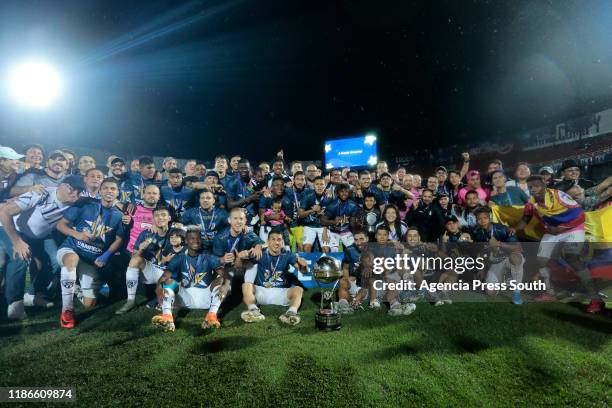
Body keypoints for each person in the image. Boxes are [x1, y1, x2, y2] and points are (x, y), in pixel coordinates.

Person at [512, 176, 603, 313]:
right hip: (553, 231)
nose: (533, 189)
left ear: (544, 185)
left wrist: (562, 228)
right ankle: (551, 293)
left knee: (572, 257)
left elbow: (581, 216)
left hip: (573, 228)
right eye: (530, 187)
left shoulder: (559, 196)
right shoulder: (531, 203)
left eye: (536, 186)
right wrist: (514, 228)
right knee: (541, 260)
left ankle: (595, 299)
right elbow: (525, 219)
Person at [0, 176, 83, 319]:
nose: (75, 193)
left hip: (41, 236)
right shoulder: (40, 193)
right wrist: (17, 241)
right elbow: (4, 212)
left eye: (79, 191)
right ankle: (15, 304)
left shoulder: (77, 202)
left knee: (58, 260)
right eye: (71, 188)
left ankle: (32, 294)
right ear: (62, 185)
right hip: (14, 229)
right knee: (20, 257)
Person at [55, 178, 126, 328]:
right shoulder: (85, 205)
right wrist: (77, 234)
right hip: (71, 250)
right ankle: (67, 310)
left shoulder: (119, 216)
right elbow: (60, 225)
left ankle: (73, 286)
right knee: (72, 259)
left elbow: (119, 239)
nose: (109, 191)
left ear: (118, 193)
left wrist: (105, 255)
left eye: (113, 189)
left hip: (90, 261)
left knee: (89, 303)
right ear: (99, 191)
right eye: (105, 188)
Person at [151, 230, 230, 332]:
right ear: (186, 241)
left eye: (198, 238)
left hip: (205, 298)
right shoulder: (179, 257)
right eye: (192, 238)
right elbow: (164, 277)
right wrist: (158, 288)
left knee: (220, 280)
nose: (196, 241)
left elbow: (226, 276)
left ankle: (211, 316)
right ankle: (167, 318)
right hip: (185, 298)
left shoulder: (209, 257)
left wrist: (225, 286)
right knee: (168, 282)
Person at [240, 230, 308, 325]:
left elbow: (303, 271)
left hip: (280, 293)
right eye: (273, 239)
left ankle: (291, 314)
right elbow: (240, 264)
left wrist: (304, 266)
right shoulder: (260, 253)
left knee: (299, 289)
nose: (276, 242)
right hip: (262, 291)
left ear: (282, 242)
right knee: (246, 285)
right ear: (268, 242)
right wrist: (241, 256)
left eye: (279, 240)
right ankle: (254, 311)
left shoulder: (287, 254)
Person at [116, 206, 174, 315]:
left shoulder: (176, 233)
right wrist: (141, 249)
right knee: (135, 260)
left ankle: (162, 298)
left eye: (163, 215)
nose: (160, 218)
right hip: (153, 271)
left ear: (169, 218)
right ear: (153, 219)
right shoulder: (146, 233)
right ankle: (130, 301)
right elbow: (135, 255)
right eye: (156, 215)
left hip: (170, 274)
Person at [471, 207, 524, 305]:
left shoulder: (502, 229)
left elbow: (518, 247)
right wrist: (481, 269)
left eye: (485, 218)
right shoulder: (478, 233)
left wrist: (499, 244)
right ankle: (505, 280)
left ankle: (517, 293)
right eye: (479, 219)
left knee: (515, 258)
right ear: (476, 221)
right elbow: (481, 252)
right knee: (490, 292)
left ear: (490, 218)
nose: (482, 221)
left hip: (509, 258)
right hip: (496, 261)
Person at [321, 183, 361, 252]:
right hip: (333, 232)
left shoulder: (353, 205)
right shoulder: (333, 205)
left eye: (346, 191)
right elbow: (322, 220)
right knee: (334, 251)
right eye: (341, 191)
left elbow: (352, 224)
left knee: (353, 250)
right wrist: (333, 221)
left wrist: (355, 223)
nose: (344, 194)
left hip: (346, 232)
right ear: (337, 193)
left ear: (349, 193)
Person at [337, 230, 369, 314]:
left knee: (363, 290)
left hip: (367, 285)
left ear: (367, 239)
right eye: (356, 239)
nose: (358, 242)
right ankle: (343, 305)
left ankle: (355, 302)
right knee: (343, 281)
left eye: (361, 239)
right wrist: (347, 279)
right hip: (354, 282)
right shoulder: (349, 250)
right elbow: (345, 267)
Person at [299, 176, 332, 252]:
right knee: (306, 248)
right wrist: (312, 210)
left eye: (321, 184)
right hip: (309, 226)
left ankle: (324, 264)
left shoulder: (329, 197)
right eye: (317, 184)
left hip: (323, 226)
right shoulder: (307, 196)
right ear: (313, 185)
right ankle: (308, 263)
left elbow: (329, 217)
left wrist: (325, 231)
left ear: (325, 186)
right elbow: (300, 214)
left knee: (326, 249)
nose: (319, 186)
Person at [226, 159, 263, 226]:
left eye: (246, 168)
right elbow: (230, 205)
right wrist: (250, 198)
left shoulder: (253, 180)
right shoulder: (232, 182)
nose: (244, 170)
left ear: (250, 168)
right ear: (237, 168)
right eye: (241, 168)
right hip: (238, 217)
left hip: (252, 218)